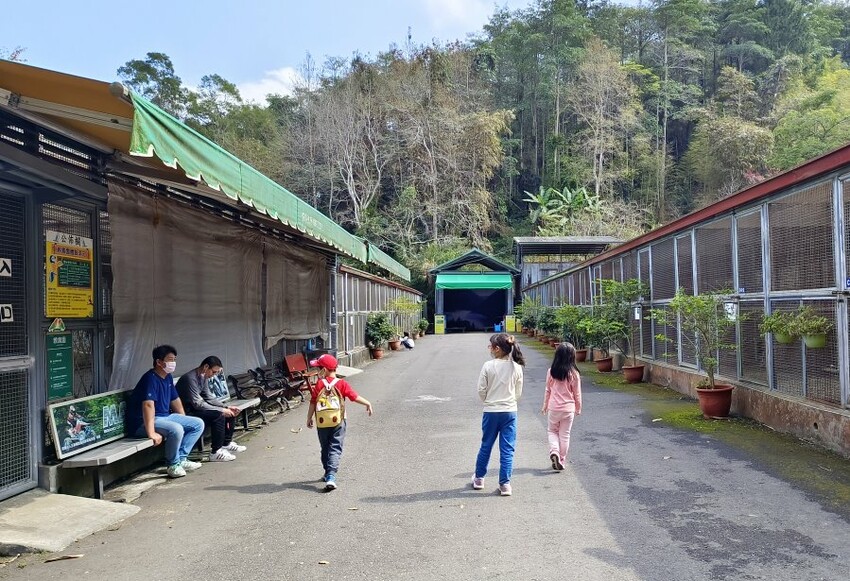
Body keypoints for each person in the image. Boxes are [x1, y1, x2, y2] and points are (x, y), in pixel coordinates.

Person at [126, 345, 205, 479]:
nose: (173, 363)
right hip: (143, 423)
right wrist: (151, 433)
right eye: (170, 359)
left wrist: (184, 419)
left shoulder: (167, 377)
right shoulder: (149, 378)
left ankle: (181, 459)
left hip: (164, 417)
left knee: (197, 424)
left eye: (174, 359)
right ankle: (173, 465)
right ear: (159, 362)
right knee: (176, 429)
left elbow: (175, 400)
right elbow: (148, 405)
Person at [305, 354, 373, 491]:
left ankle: (326, 472)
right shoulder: (342, 384)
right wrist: (367, 403)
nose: (317, 371)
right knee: (335, 448)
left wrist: (309, 418)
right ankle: (331, 475)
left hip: (322, 423)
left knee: (325, 447)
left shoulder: (319, 384)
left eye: (318, 368)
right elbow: (354, 397)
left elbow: (313, 402)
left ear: (324, 370)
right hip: (339, 421)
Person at [472, 333, 525, 496]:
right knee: (507, 448)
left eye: (490, 346)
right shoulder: (516, 367)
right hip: (510, 411)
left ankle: (479, 478)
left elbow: (481, 390)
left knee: (486, 445)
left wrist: (489, 401)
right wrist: (509, 402)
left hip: (491, 411)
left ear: (497, 349)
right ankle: (505, 484)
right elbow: (518, 392)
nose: (489, 348)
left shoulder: (488, 366)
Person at [176, 355, 247, 462]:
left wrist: (226, 407)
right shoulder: (189, 378)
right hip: (187, 412)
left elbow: (208, 397)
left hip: (197, 409)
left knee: (230, 412)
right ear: (206, 367)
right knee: (219, 415)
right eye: (213, 372)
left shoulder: (203, 377)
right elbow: (197, 403)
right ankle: (215, 452)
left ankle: (226, 444)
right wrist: (221, 410)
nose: (213, 375)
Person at [541, 342, 582, 471]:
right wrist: (578, 407)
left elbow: (548, 390)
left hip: (554, 408)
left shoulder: (551, 372)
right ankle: (562, 459)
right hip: (568, 409)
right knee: (565, 435)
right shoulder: (574, 374)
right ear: (572, 357)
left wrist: (545, 405)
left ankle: (555, 451)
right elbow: (577, 393)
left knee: (552, 431)